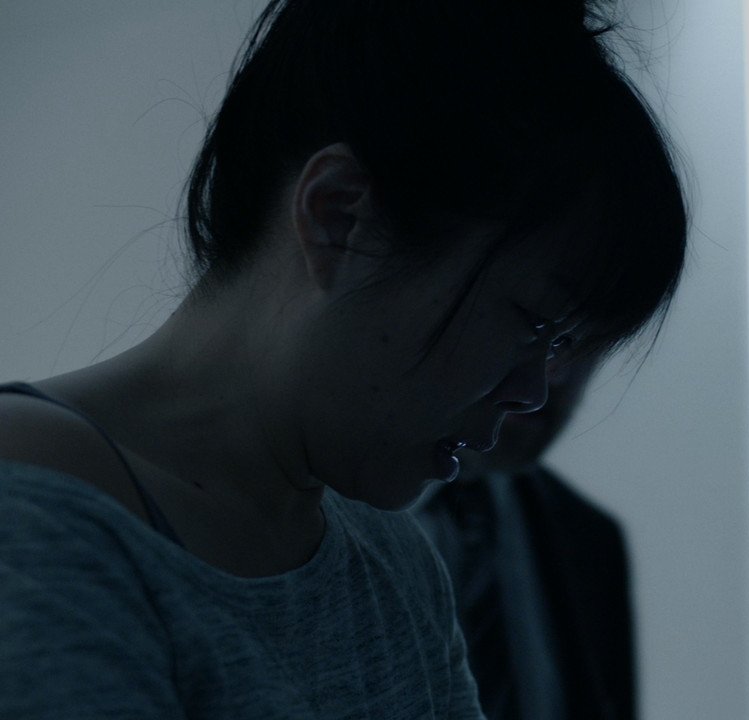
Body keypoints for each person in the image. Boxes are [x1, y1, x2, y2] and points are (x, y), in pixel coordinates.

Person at [0, 0, 686, 717]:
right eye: (532, 324)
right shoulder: (36, 518)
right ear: (338, 217)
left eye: (563, 346)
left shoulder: (393, 562)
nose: (532, 391)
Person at [417, 351, 636, 720]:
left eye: (582, 344)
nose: (553, 374)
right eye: (536, 329)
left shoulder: (592, 539)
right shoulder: (326, 509)